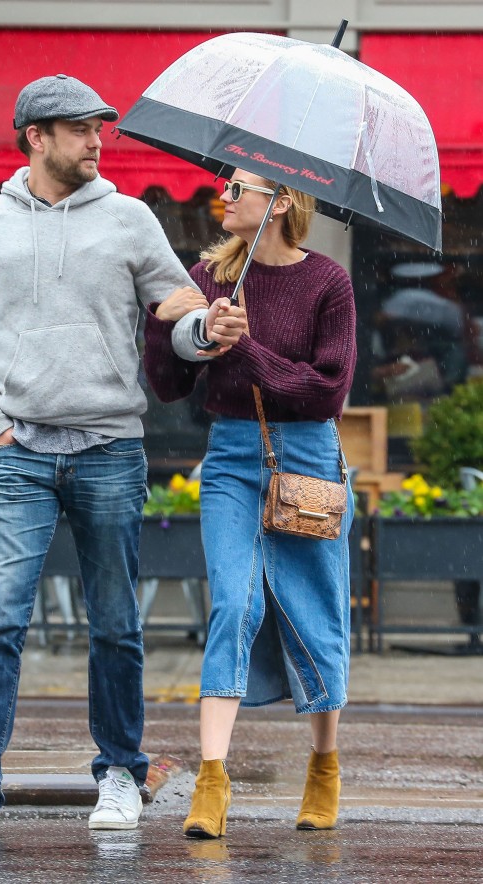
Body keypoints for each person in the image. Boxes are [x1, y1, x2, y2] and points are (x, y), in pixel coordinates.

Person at [0, 74, 207, 836]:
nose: (96, 141)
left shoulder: (131, 219)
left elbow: (177, 314)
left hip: (111, 448)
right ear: (36, 138)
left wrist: (205, 334)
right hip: (17, 453)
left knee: (116, 621)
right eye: (81, 129)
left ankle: (119, 772)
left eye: (100, 128)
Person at [143, 168, 357, 837]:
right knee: (235, 601)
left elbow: (326, 391)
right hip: (233, 456)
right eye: (226, 185)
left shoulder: (329, 282)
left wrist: (249, 348)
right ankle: (213, 778)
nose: (225, 197)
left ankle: (324, 765)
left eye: (241, 189)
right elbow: (169, 384)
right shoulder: (208, 277)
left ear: (281, 203)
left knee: (315, 612)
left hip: (310, 456)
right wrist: (184, 326)